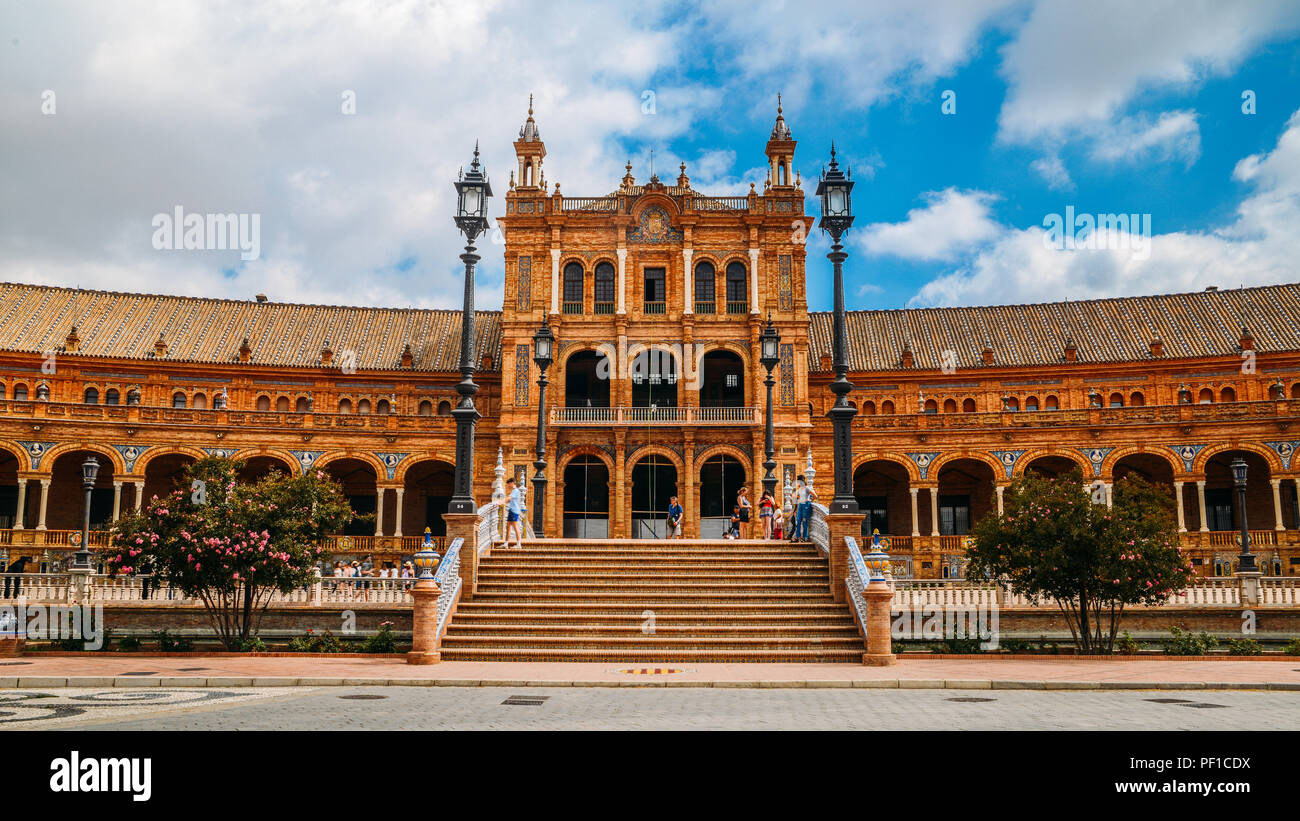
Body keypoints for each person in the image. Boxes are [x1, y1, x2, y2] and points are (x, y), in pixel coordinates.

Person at [505, 477, 526, 549]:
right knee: (508, 527)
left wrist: (501, 501)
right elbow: (508, 500)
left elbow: (509, 498)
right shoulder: (514, 491)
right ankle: (506, 543)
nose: (508, 486)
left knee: (515, 527)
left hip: (514, 511)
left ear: (512, 483)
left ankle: (518, 544)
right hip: (512, 510)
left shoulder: (515, 491)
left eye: (508, 484)